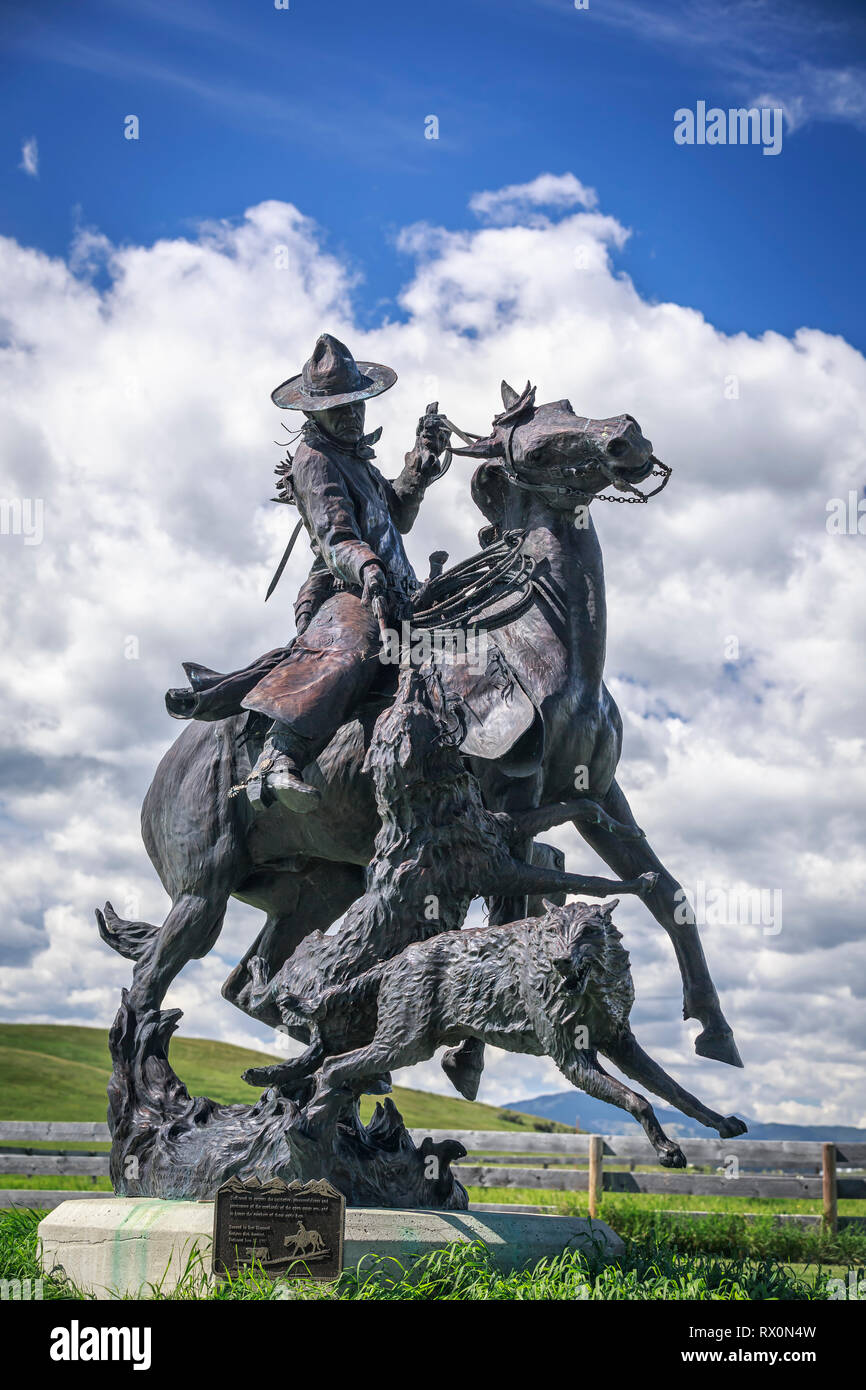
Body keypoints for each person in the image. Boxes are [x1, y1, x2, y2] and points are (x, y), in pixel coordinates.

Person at [234, 333, 450, 812]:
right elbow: (335, 539)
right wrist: (368, 564)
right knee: (352, 650)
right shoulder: (314, 461)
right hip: (346, 588)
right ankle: (278, 754)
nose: (352, 416)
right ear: (313, 413)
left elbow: (397, 516)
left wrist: (420, 462)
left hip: (398, 589)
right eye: (340, 408)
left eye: (357, 405)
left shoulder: (358, 461)